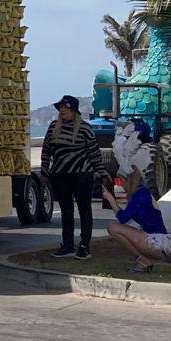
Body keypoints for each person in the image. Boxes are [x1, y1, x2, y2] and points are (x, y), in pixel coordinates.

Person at [42, 94, 99, 260]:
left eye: (66, 108)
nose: (63, 111)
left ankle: (84, 245)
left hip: (82, 174)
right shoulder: (53, 127)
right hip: (60, 175)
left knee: (84, 210)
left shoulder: (85, 128)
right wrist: (45, 171)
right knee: (66, 211)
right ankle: (67, 245)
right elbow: (47, 151)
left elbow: (94, 153)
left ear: (74, 111)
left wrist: (101, 173)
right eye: (61, 108)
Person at [107, 167, 171, 273]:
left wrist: (110, 198)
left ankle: (143, 259)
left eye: (121, 181)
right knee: (114, 226)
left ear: (129, 180)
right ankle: (145, 260)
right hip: (155, 240)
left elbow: (122, 218)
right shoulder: (140, 193)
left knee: (112, 226)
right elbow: (123, 215)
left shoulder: (140, 195)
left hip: (156, 242)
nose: (120, 185)